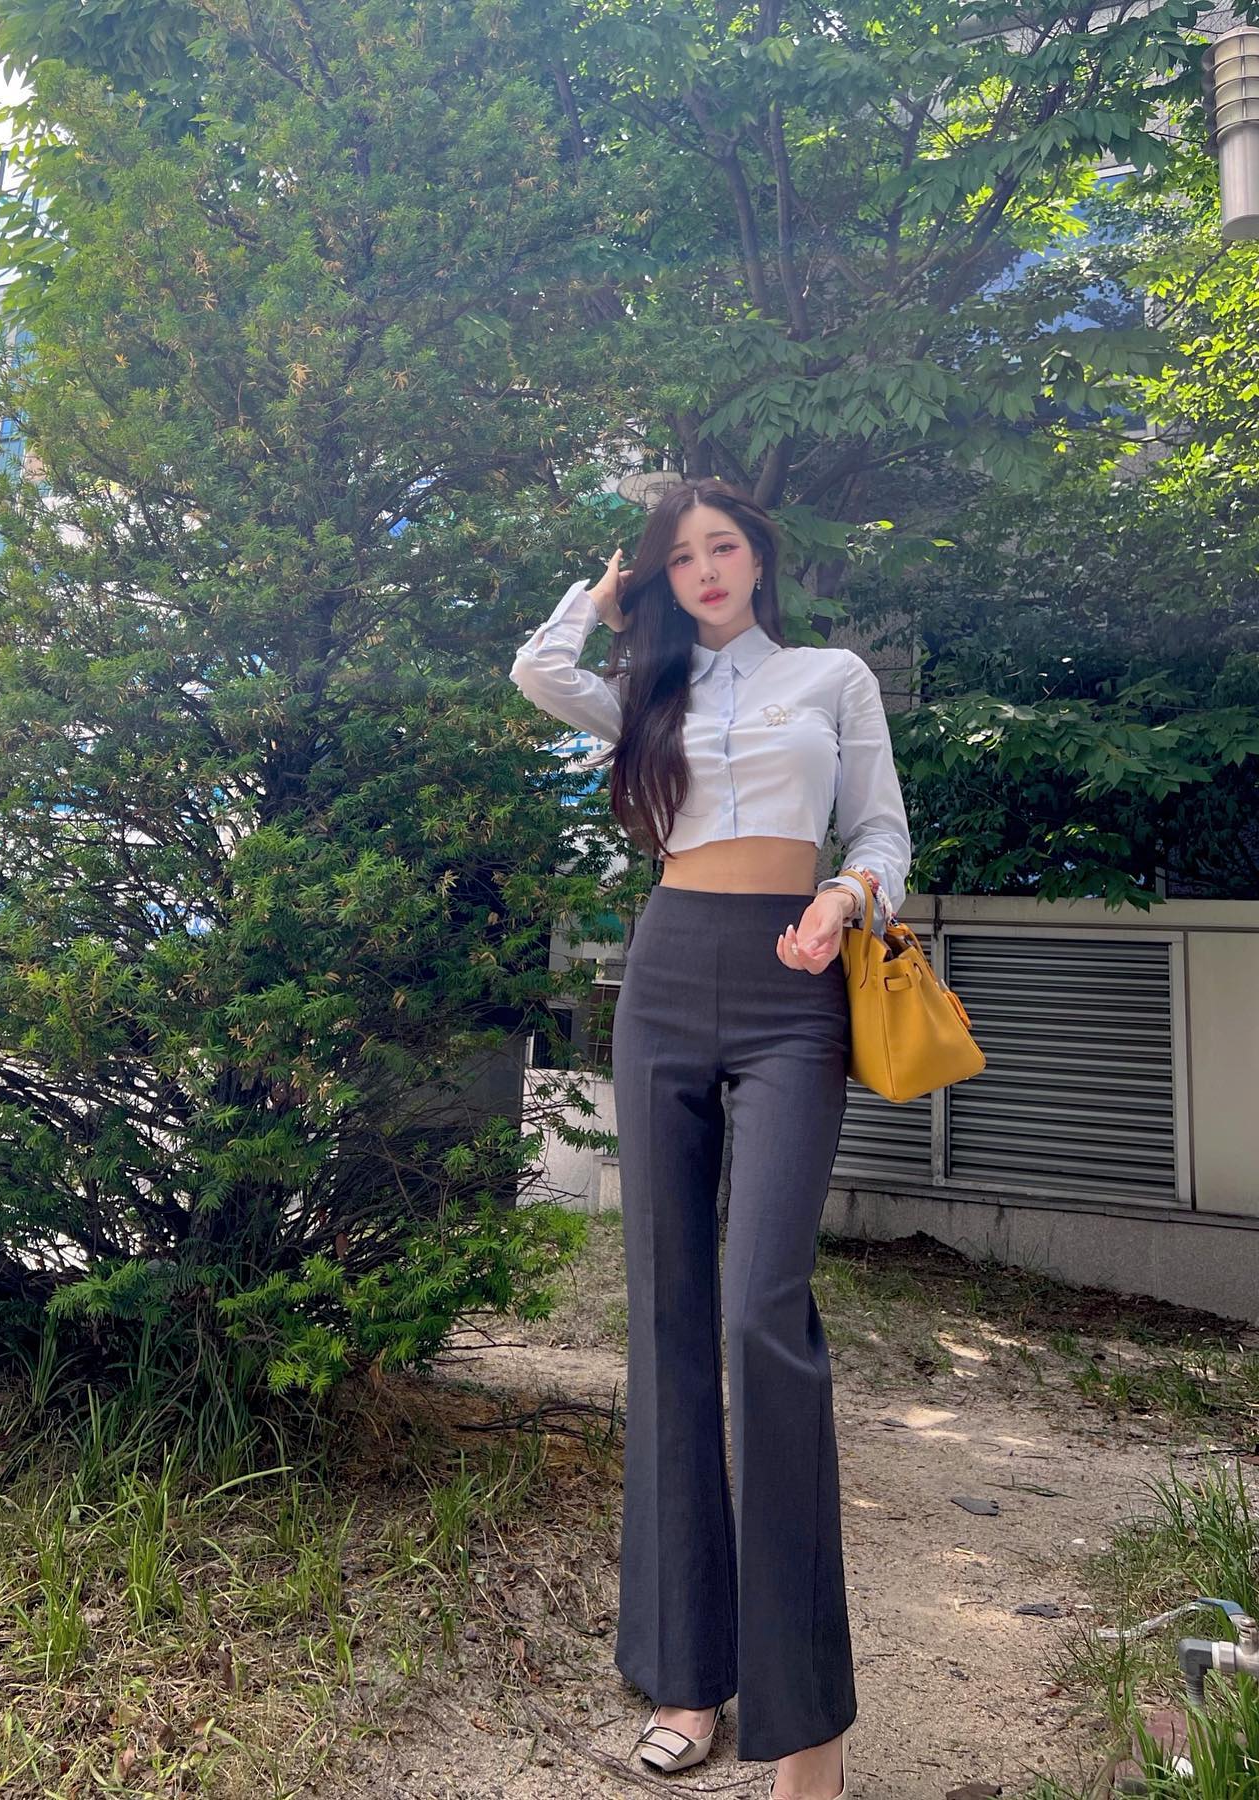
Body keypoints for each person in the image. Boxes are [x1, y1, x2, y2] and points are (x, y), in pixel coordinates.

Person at [507, 477, 912, 1800]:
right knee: (669, 1316)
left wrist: (845, 900)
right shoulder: (648, 695)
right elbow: (536, 671)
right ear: (663, 579)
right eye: (680, 557)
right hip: (669, 971)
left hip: (796, 986)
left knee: (760, 1315)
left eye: (722, 545)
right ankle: (687, 1678)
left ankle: (809, 1726)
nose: (706, 568)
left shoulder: (832, 678)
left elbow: (882, 828)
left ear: (758, 556)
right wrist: (600, 596)